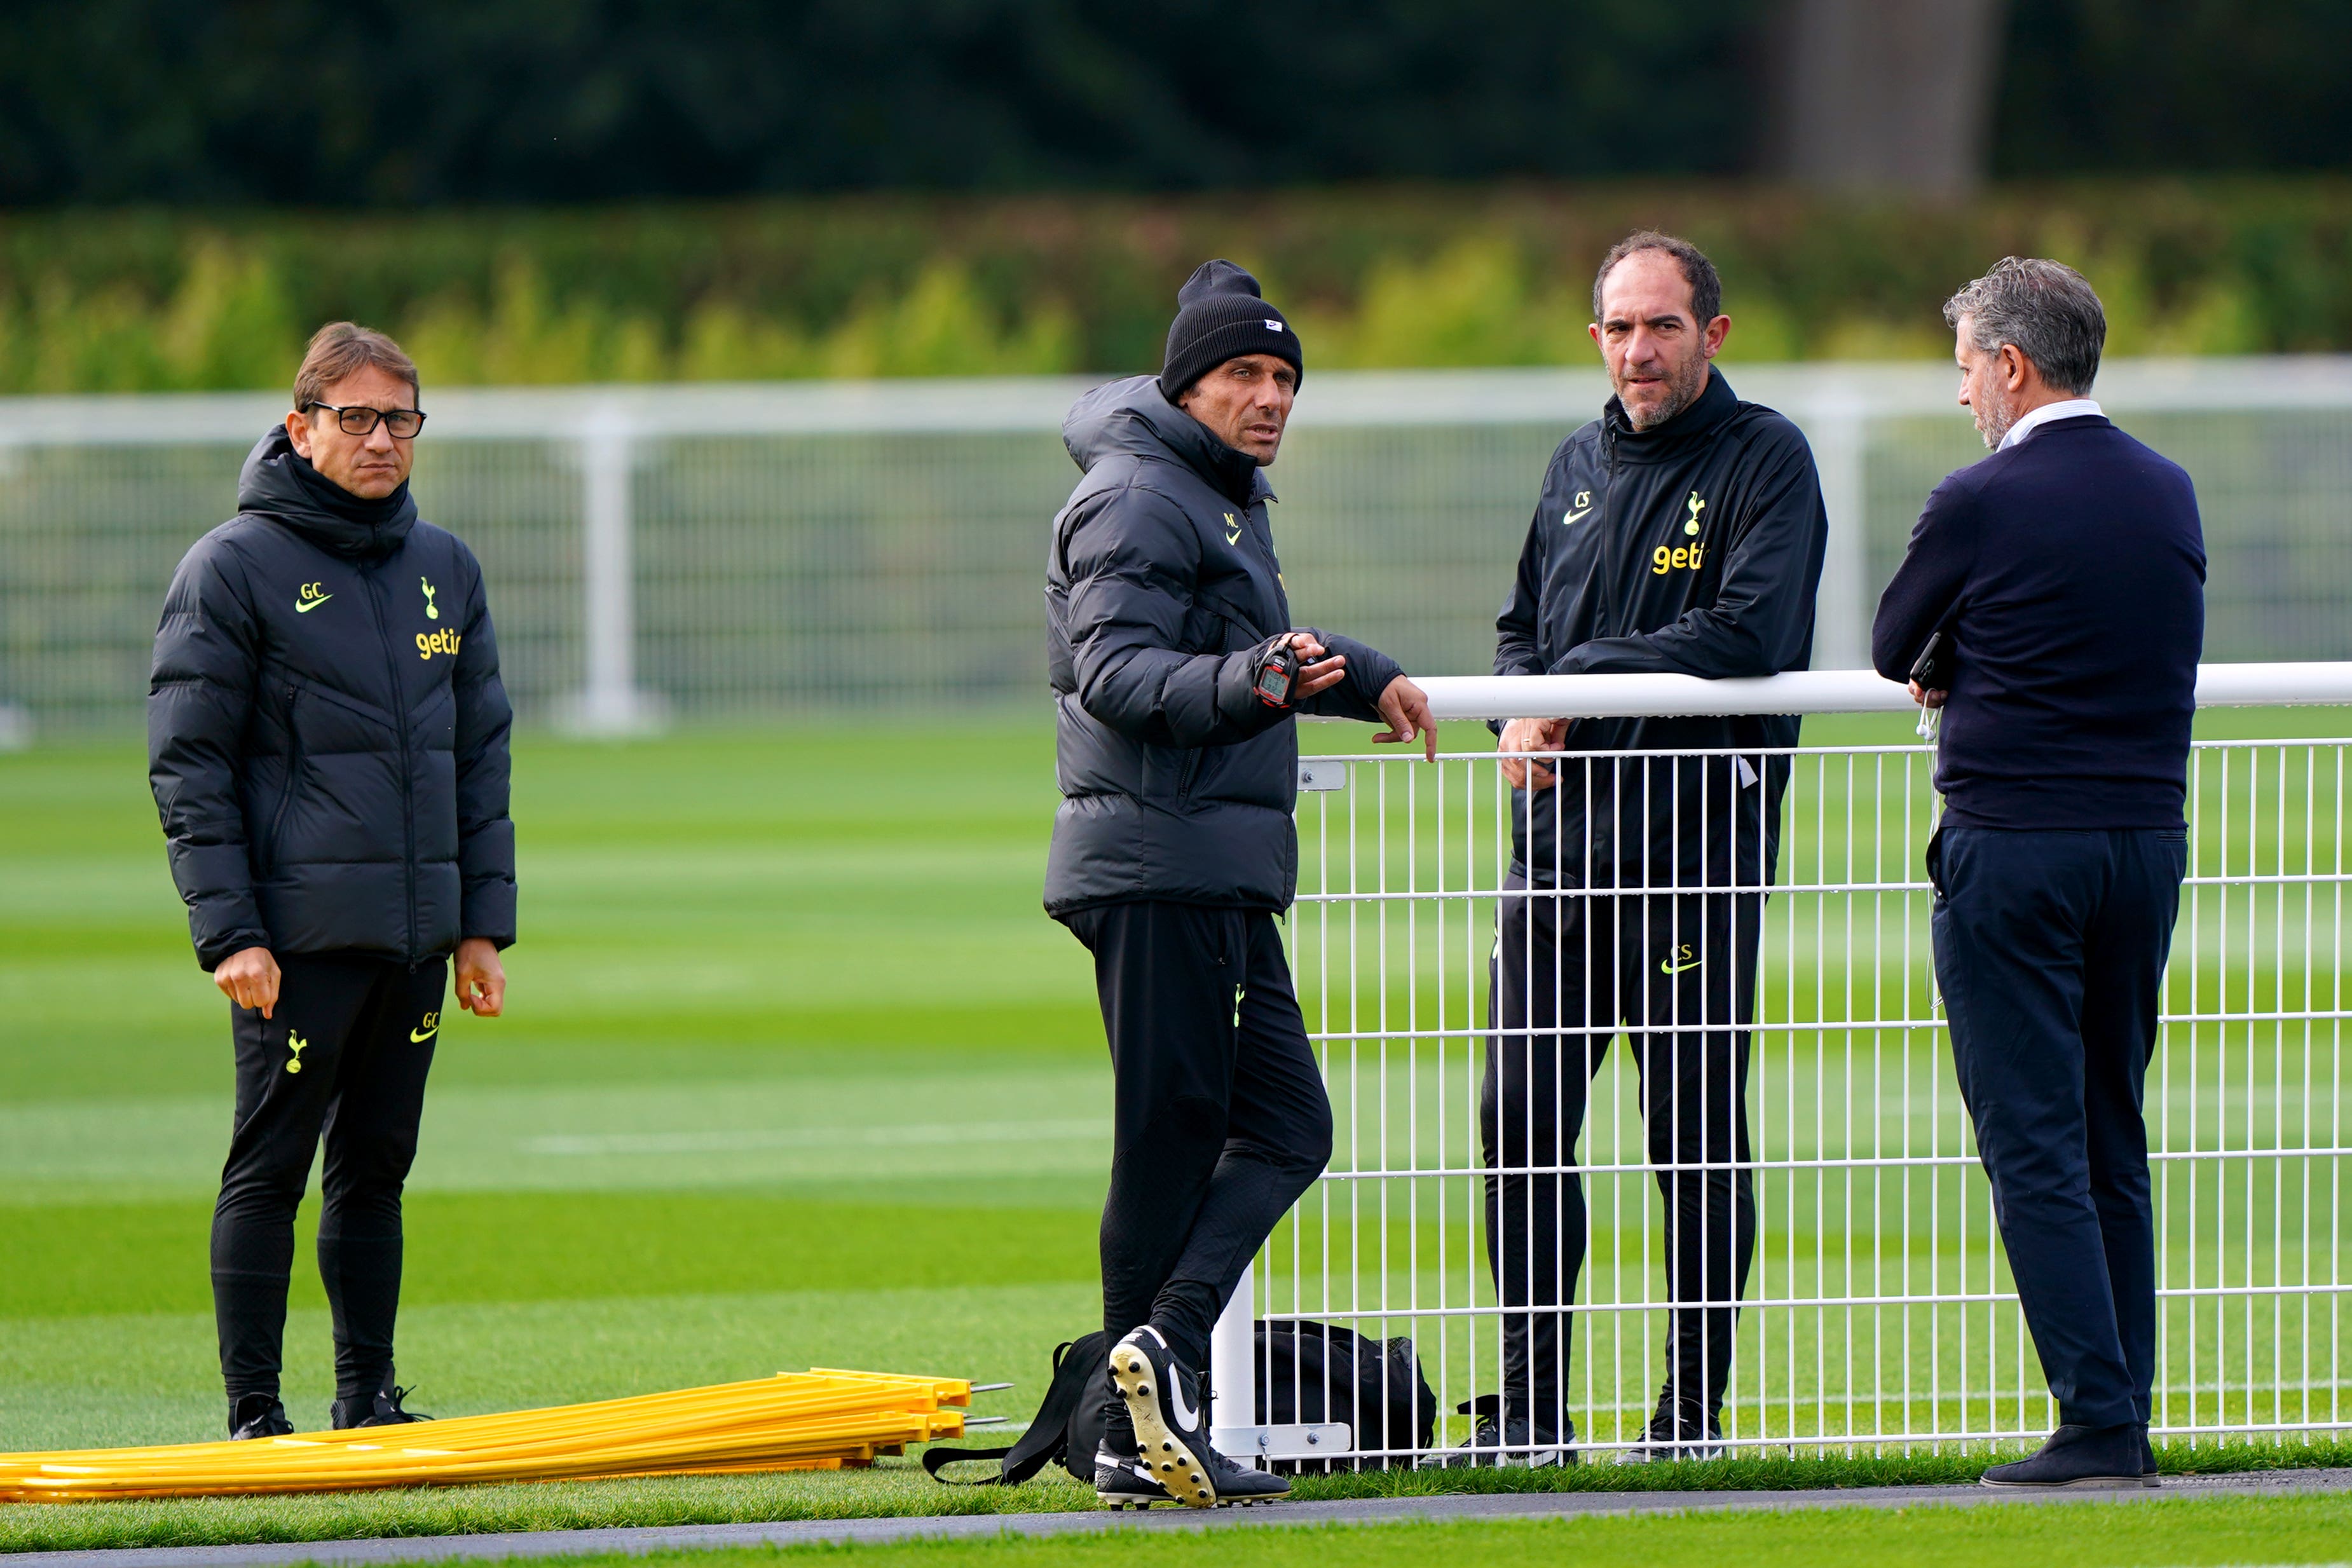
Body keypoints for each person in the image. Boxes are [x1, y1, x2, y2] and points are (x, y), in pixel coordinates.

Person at [1045, 260, 1437, 1508]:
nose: (1267, 396)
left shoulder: (1211, 494)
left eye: (1282, 377)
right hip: (1163, 868)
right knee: (1174, 1149)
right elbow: (1113, 671)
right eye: (1242, 375)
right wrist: (1246, 682)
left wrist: (1358, 668)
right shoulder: (1138, 496)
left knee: (1281, 1126)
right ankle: (1136, 1406)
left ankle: (1147, 1383)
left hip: (1207, 870)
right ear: (1185, 385)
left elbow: (1245, 643)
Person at [1463, 231, 1828, 1466]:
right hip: (1554, 866)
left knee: (1690, 1138)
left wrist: (1566, 685)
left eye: (1658, 326)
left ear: (1710, 335)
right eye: (1617, 328)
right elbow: (1519, 627)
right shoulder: (1571, 463)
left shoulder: (1764, 459)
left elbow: (1746, 631)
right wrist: (1526, 696)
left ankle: (1687, 1415)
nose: (1635, 350)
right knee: (1515, 1124)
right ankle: (1528, 1409)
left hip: (1692, 861)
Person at [148, 322, 516, 1440]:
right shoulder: (231, 567)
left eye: (399, 419)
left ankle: (370, 1399)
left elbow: (479, 756)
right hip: (295, 940)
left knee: (377, 1176)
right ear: (301, 425)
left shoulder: (445, 568)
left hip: (413, 937)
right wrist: (231, 936)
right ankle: (254, 1415)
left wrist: (478, 927)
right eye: (354, 417)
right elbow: (190, 764)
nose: (380, 440)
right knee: (269, 1170)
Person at [1873, 257, 2204, 1490]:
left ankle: (2094, 1417)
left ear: (2009, 365)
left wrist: (1960, 650)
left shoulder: (1978, 498)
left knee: (2031, 1141)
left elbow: (1888, 644)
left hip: (2014, 845)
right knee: (2108, 1130)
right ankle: (2121, 1405)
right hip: (2143, 843)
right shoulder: (2165, 489)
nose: (1961, 391)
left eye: (1965, 365)